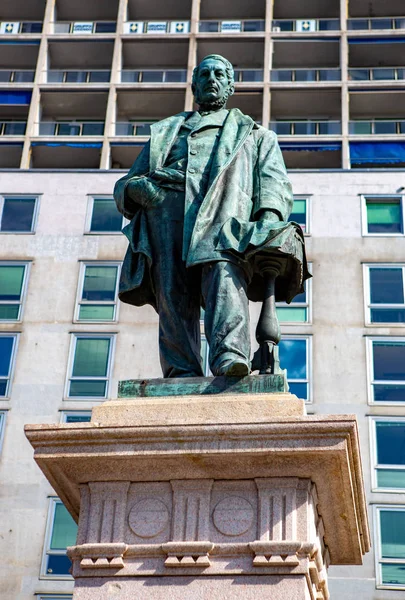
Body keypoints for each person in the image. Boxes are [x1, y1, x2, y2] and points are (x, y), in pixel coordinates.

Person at [114, 54, 308, 378]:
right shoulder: (166, 132)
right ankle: (180, 369)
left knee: (223, 271)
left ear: (231, 85)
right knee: (171, 288)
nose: (211, 79)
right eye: (204, 74)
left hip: (223, 207)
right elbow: (127, 182)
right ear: (193, 85)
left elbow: (274, 182)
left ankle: (230, 356)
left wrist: (269, 216)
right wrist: (136, 190)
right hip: (165, 205)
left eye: (219, 74)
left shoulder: (255, 134)